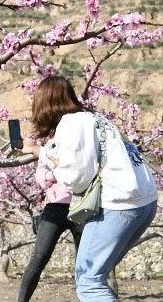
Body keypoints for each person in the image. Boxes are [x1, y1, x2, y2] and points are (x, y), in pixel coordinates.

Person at [27, 75, 157, 301]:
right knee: (97, 274)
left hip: (119, 204)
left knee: (89, 281)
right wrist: (46, 153)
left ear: (43, 104)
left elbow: (75, 178)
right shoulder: (95, 118)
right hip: (145, 201)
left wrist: (43, 156)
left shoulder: (70, 123)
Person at [18, 154, 84, 302]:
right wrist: (55, 174)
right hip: (55, 207)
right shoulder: (51, 145)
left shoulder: (84, 140)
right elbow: (41, 177)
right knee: (39, 258)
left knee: (84, 262)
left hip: (83, 205)